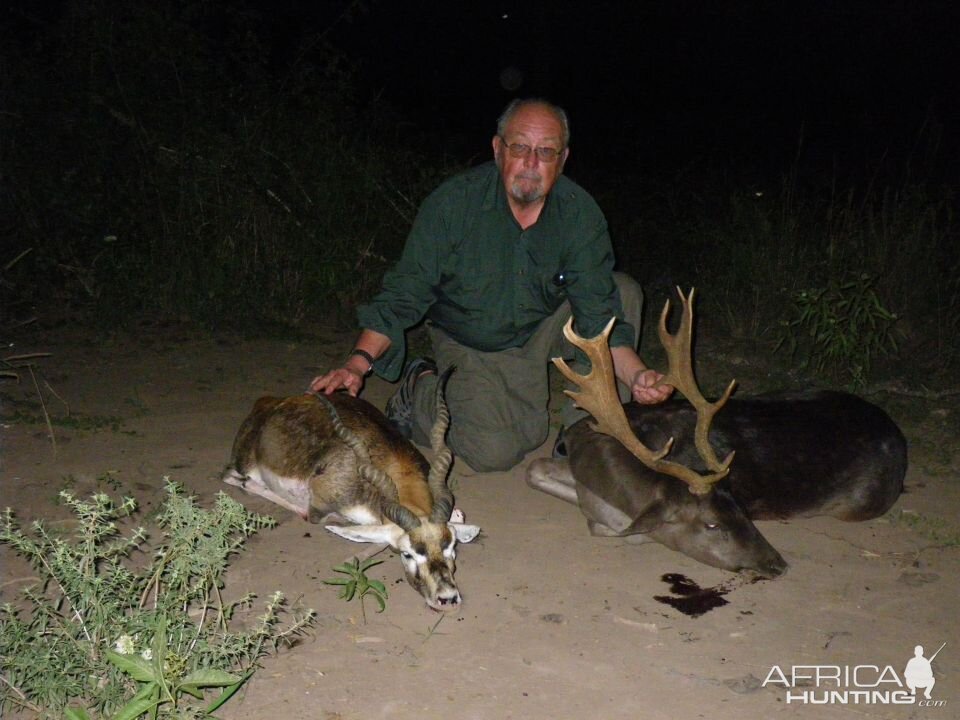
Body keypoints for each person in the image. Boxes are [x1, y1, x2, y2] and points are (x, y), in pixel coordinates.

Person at [310, 98, 672, 471]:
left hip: (543, 324)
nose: (532, 163)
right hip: (472, 339)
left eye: (546, 151)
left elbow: (600, 318)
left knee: (622, 289)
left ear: (562, 160)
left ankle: (583, 431)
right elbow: (406, 292)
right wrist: (357, 364)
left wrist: (639, 375)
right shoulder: (453, 205)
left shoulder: (580, 214)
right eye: (520, 148)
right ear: (498, 149)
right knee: (494, 451)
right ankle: (422, 388)